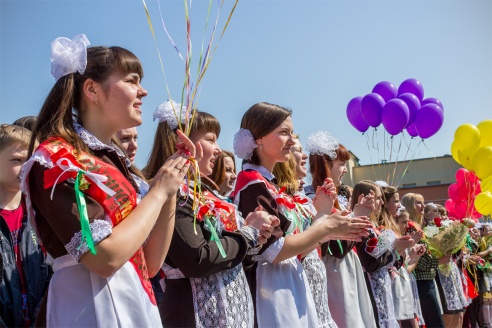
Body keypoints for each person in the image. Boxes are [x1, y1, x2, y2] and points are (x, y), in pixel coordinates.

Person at [20, 34, 194, 326]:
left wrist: (171, 184)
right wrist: (158, 192)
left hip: (135, 301)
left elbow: (150, 264)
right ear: (92, 90)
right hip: (86, 306)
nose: (143, 91)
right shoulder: (55, 160)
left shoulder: (116, 164)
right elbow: (104, 258)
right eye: (132, 80)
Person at [233, 102, 371, 327]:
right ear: (258, 139)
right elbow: (274, 252)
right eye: (283, 133)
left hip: (291, 282)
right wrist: (325, 228)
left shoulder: (270, 185)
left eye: (291, 133)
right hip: (270, 289)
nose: (291, 140)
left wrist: (329, 229)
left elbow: (297, 252)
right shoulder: (252, 182)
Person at [145, 105, 279, 327]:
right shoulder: (172, 193)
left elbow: (228, 257)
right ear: (181, 142)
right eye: (210, 139)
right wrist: (247, 234)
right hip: (194, 311)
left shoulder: (207, 194)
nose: (218, 150)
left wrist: (253, 239)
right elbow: (197, 259)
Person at [306, 131, 377, 328]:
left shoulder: (337, 198)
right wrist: (358, 216)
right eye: (342, 164)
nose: (345, 170)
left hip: (347, 267)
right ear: (327, 166)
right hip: (334, 271)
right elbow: (336, 247)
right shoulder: (314, 199)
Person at [0, 124, 50, 327]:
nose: (25, 167)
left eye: (30, 160)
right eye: (17, 160)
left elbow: (52, 272)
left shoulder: (39, 214)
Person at [351, 180, 415, 328]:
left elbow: (385, 261)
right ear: (364, 198)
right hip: (370, 288)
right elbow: (370, 263)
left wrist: (399, 252)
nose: (381, 203)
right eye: (378, 198)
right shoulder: (362, 227)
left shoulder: (375, 228)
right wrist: (394, 249)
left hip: (383, 286)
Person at [380, 185, 424, 328]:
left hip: (400, 284)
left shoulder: (392, 231)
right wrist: (401, 250)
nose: (399, 205)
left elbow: (401, 265)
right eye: (396, 201)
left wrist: (412, 255)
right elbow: (385, 261)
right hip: (390, 285)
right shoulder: (383, 230)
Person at [426, 203, 468, 327]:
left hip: (451, 269)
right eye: (435, 211)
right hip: (439, 272)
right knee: (448, 313)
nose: (439, 214)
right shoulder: (427, 230)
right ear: (427, 214)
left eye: (440, 212)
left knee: (459, 313)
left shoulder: (445, 227)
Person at [412, 203, 450, 328]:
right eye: (418, 202)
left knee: (437, 319)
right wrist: (439, 261)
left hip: (430, 278)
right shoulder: (411, 228)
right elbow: (419, 262)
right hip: (421, 281)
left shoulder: (422, 228)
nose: (422, 205)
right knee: (434, 321)